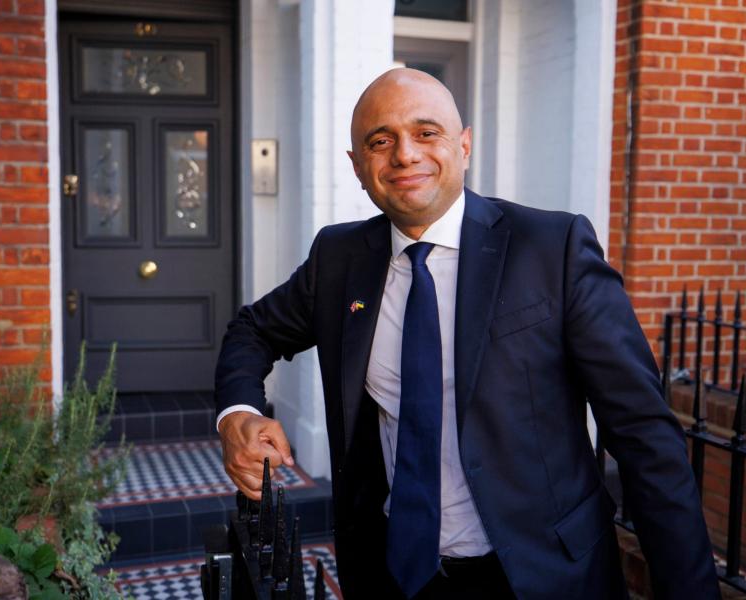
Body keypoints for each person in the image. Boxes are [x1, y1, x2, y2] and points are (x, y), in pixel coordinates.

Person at [215, 68, 720, 599]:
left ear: (464, 145)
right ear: (358, 167)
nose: (405, 154)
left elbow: (644, 435)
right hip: (394, 572)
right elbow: (252, 329)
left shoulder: (553, 248)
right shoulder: (339, 258)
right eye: (380, 141)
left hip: (541, 576)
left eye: (426, 132)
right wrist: (238, 414)